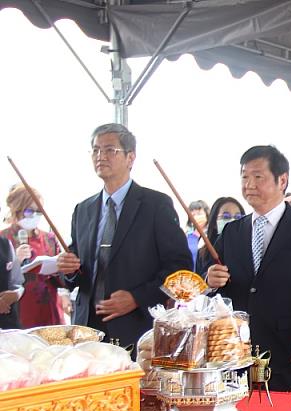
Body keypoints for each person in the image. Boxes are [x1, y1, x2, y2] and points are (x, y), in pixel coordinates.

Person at [206, 145, 291, 391]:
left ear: (282, 180)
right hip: (234, 355)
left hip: (287, 352)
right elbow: (213, 285)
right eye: (244, 177)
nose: (249, 184)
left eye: (258, 177)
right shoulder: (232, 232)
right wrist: (210, 280)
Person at [56, 123, 192, 348]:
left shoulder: (155, 205)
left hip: (136, 329)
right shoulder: (83, 209)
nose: (101, 156)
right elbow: (78, 273)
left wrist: (137, 298)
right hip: (87, 329)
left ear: (131, 158)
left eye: (110, 150)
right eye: (96, 150)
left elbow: (180, 268)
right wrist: (68, 269)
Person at [0, 184, 65, 327]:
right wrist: (15, 261)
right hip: (17, 315)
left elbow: (64, 280)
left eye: (39, 211)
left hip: (48, 311)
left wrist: (62, 267)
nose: (35, 216)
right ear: (17, 209)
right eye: (30, 211)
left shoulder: (50, 238)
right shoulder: (3, 239)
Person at [195, 197, 245, 277]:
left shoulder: (250, 248)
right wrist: (208, 280)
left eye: (238, 217)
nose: (233, 220)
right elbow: (198, 284)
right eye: (226, 217)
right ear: (214, 222)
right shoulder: (203, 254)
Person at [185, 199, 209, 270]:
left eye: (199, 214)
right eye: (193, 215)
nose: (196, 217)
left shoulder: (212, 234)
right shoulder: (188, 236)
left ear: (206, 214)